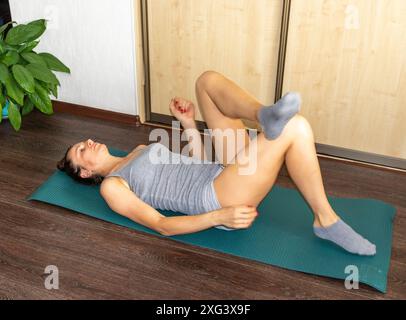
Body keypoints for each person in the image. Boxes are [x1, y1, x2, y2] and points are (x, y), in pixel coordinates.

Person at [57, 71, 376, 256]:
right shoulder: (112, 187)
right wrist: (219, 216)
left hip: (217, 171)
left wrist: (188, 123)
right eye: (81, 151)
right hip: (215, 197)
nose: (87, 144)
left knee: (206, 81)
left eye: (83, 142)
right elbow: (162, 226)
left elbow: (195, 162)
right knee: (298, 127)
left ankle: (263, 114)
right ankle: (326, 220)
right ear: (85, 172)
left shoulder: (139, 148)